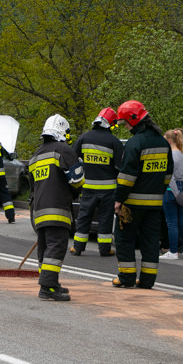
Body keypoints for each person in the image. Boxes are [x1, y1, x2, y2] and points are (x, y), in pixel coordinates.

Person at [111, 101, 172, 290]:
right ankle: (147, 281)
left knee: (123, 239)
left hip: (131, 203)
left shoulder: (135, 143)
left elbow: (127, 176)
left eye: (126, 123)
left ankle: (127, 278)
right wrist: (158, 191)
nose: (126, 127)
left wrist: (119, 199)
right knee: (151, 241)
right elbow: (168, 173)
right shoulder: (162, 142)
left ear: (134, 119)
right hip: (154, 204)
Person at [28, 115, 85, 301]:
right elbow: (77, 180)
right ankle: (47, 287)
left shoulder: (35, 156)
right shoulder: (63, 150)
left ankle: (51, 282)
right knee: (56, 247)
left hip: (38, 210)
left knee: (45, 249)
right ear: (62, 131)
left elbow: (32, 188)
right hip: (58, 208)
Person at [70, 107, 124, 257]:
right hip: (108, 189)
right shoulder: (115, 142)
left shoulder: (83, 138)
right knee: (105, 218)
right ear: (110, 124)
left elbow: (73, 159)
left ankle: (78, 247)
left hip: (87, 187)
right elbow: (120, 166)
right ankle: (105, 249)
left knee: (84, 216)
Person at [161, 129, 183, 259]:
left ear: (169, 140)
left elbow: (169, 177)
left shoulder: (169, 156)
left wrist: (176, 194)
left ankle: (173, 251)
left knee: (171, 223)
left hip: (171, 190)